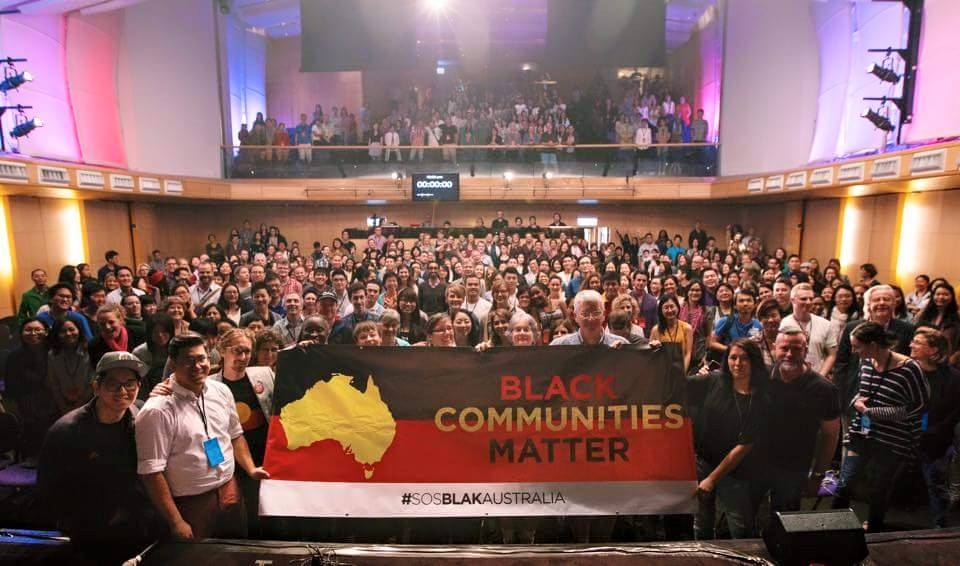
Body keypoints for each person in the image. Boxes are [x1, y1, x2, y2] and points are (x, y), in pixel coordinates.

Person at [136, 332, 269, 539]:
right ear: (173, 364)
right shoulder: (156, 411)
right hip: (191, 503)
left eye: (201, 358)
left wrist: (250, 468)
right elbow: (151, 472)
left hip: (230, 490)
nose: (197, 366)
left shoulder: (221, 391)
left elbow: (235, 435)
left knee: (237, 552)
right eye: (188, 360)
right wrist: (176, 520)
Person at [38, 352, 159, 561]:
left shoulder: (140, 414)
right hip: (91, 530)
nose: (122, 391)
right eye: (113, 384)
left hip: (136, 522)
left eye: (130, 383)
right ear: (96, 386)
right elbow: (49, 490)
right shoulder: (67, 431)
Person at [832, 322, 928, 532]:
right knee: (844, 483)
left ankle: (875, 531)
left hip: (892, 439)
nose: (855, 352)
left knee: (879, 488)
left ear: (874, 345)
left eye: (858, 347)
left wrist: (870, 412)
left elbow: (918, 406)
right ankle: (834, 528)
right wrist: (857, 404)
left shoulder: (909, 368)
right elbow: (863, 393)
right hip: (861, 434)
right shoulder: (866, 363)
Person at [688, 338, 770, 539]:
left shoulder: (762, 398)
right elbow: (674, 383)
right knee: (701, 522)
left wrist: (712, 479)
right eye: (733, 357)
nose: (737, 363)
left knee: (740, 525)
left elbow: (743, 447)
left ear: (754, 362)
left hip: (737, 472)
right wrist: (657, 351)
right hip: (703, 462)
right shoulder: (713, 380)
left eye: (744, 359)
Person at [765, 325, 841, 513]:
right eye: (784, 348)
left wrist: (817, 475)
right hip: (755, 463)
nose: (790, 354)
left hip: (794, 467)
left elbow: (831, 436)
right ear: (774, 348)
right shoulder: (760, 378)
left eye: (797, 349)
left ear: (806, 350)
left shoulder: (824, 389)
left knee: (785, 518)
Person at [834, 285, 914, 418]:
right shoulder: (852, 327)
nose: (881, 303)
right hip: (853, 393)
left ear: (894, 304)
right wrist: (841, 393)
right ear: (869, 304)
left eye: (886, 299)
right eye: (877, 300)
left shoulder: (907, 330)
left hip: (890, 398)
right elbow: (842, 363)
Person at [911, 328, 960, 527]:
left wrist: (936, 432)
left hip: (937, 440)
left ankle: (940, 525)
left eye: (917, 343)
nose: (911, 345)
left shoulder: (953, 377)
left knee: (936, 482)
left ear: (933, 350)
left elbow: (955, 411)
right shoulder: (908, 371)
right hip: (908, 435)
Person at [4, 319, 55, 460]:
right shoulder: (14, 357)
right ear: (21, 333)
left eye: (38, 330)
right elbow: (11, 389)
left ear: (46, 332)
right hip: (28, 407)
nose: (33, 333)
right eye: (28, 330)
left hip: (56, 401)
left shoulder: (54, 352)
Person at [781, 283, 838, 375]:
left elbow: (832, 355)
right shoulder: (784, 323)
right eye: (803, 299)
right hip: (791, 377)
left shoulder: (825, 324)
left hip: (818, 376)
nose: (808, 302)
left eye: (811, 299)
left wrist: (821, 377)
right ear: (792, 300)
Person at [47, 317, 93, 416]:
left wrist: (79, 405)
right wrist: (63, 407)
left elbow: (93, 381)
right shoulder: (53, 355)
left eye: (72, 329)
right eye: (63, 331)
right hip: (62, 405)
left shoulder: (90, 350)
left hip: (89, 403)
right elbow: (53, 383)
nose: (68, 334)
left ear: (79, 330)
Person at [650, 294, 693, 372]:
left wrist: (682, 373)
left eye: (672, 306)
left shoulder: (687, 328)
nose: (669, 310)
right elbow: (651, 353)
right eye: (666, 307)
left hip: (681, 371)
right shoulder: (655, 330)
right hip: (661, 371)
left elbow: (688, 353)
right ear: (661, 310)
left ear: (677, 307)